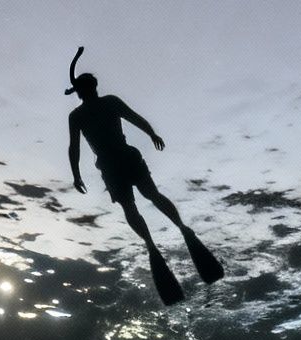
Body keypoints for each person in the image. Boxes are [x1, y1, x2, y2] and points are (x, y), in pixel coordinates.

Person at [64, 48, 223, 306]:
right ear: (88, 89)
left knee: (146, 199)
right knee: (137, 202)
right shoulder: (83, 114)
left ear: (83, 90)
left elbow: (132, 119)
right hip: (114, 164)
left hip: (120, 161)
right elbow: (75, 147)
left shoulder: (94, 109)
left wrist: (151, 133)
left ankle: (173, 234)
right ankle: (158, 241)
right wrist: (75, 173)